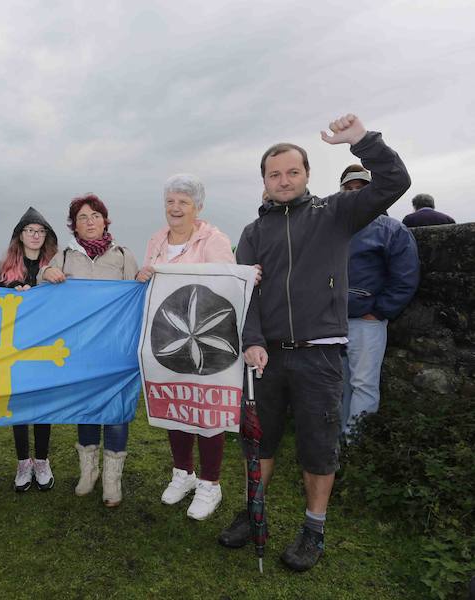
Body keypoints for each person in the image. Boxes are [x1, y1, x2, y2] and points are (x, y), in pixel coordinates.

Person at [222, 115, 411, 572]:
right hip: (266, 358)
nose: (284, 180)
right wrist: (252, 340)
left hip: (321, 353)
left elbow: (394, 181)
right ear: (264, 181)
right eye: (274, 174)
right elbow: (245, 296)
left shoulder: (335, 213)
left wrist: (362, 141)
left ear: (307, 174)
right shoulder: (252, 233)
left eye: (292, 171)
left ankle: (314, 529)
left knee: (318, 447)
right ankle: (253, 510)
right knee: (258, 443)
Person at [135, 174, 236, 521]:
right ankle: (183, 472)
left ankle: (210, 483)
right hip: (169, 336)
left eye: (183, 202)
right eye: (170, 201)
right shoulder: (156, 240)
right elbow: (150, 286)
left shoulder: (214, 240)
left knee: (206, 410)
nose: (175, 208)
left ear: (197, 207)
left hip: (206, 338)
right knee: (175, 404)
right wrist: (144, 276)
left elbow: (225, 285)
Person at [39, 194, 140, 507]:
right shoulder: (64, 256)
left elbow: (136, 297)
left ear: (105, 220)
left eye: (95, 215)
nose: (90, 221)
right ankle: (89, 472)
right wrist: (45, 274)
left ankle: (112, 479)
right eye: (82, 217)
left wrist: (143, 278)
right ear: (74, 225)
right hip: (80, 349)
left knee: (116, 410)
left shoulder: (123, 255)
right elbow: (42, 295)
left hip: (116, 348)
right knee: (86, 408)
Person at [337, 166, 419, 437]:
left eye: (361, 188)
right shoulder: (332, 228)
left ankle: (356, 445)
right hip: (331, 321)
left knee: (364, 385)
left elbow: (405, 277)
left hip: (366, 321)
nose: (354, 193)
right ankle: (336, 445)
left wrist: (379, 312)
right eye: (349, 188)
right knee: (337, 385)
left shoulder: (392, 229)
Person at [0, 207, 60, 492]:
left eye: (40, 231)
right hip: (14, 346)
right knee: (18, 403)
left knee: (42, 403)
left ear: (46, 236)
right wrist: (11, 293)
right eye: (30, 230)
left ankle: (42, 460)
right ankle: (23, 461)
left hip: (44, 345)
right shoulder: (4, 270)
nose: (35, 235)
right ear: (20, 235)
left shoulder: (55, 267)